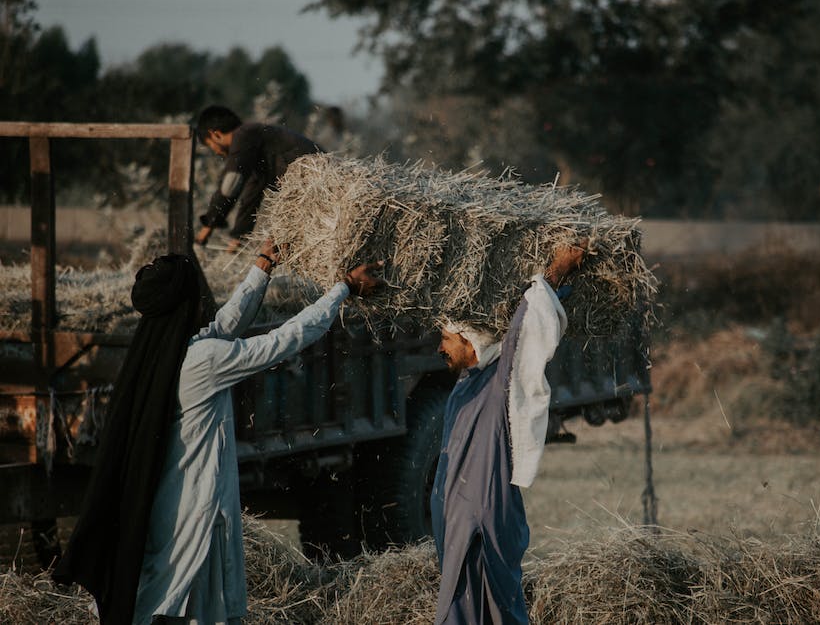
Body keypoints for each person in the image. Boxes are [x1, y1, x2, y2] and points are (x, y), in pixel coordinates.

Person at [52, 241, 382, 624]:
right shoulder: (202, 361)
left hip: (169, 506)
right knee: (188, 608)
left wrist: (262, 267)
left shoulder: (161, 353)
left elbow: (223, 327)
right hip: (196, 510)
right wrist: (341, 289)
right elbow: (282, 341)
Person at [430, 241, 587, 624]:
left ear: (471, 342)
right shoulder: (465, 384)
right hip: (459, 524)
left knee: (496, 609)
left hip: (484, 518)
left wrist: (554, 274)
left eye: (447, 339)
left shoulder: (500, 384)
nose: (439, 348)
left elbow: (521, 335)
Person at [193, 105, 324, 251]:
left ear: (215, 134)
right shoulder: (252, 140)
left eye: (211, 146)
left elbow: (230, 183)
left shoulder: (243, 135)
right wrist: (239, 236)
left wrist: (208, 225)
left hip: (318, 183)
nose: (216, 152)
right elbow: (253, 189)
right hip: (313, 189)